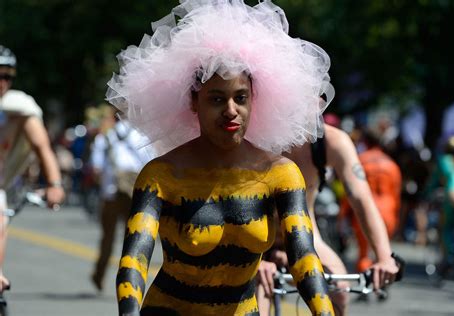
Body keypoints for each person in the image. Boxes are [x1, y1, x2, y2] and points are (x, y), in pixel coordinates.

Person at [106, 1, 335, 315]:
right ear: (193, 103)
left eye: (240, 97)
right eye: (216, 99)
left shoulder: (281, 174)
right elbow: (134, 261)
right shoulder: (161, 175)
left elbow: (304, 257)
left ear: (254, 100)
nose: (231, 111)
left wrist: (326, 312)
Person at [257, 122, 400, 315]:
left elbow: (361, 198)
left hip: (305, 237)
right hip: (254, 237)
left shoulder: (333, 141)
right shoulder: (255, 133)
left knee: (339, 288)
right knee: (258, 296)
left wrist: (384, 258)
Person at [0, 45, 65, 291]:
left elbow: (42, 146)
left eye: (7, 76)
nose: (2, 82)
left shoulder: (20, 108)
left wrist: (54, 184)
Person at [90, 105, 149, 291]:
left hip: (110, 193)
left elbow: (95, 168)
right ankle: (127, 279)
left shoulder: (104, 137)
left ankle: (99, 274)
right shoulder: (142, 138)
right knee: (131, 241)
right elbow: (149, 165)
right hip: (134, 194)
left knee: (107, 238)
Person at [339, 129, 402, 273]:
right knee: (383, 251)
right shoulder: (392, 165)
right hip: (388, 212)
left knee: (363, 252)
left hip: (366, 211)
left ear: (365, 142)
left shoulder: (359, 161)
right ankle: (382, 278)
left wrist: (343, 214)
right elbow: (397, 195)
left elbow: (350, 191)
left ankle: (367, 281)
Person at [422, 134, 454, 266]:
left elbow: (434, 181)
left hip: (453, 196)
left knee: (446, 226)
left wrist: (425, 194)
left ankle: (449, 255)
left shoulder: (443, 160)